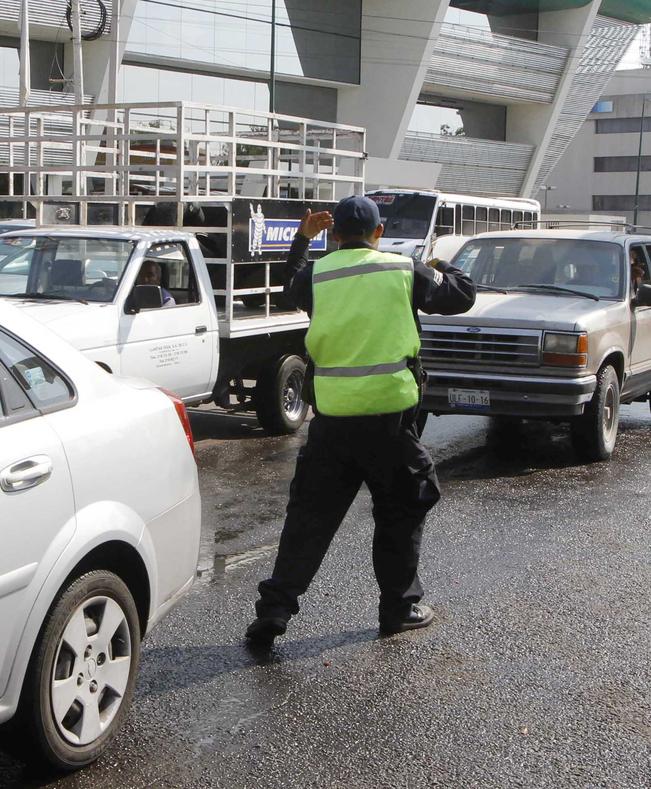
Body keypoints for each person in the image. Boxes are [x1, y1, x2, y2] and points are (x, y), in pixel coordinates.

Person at [245, 195, 476, 645]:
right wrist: (441, 264)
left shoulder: (319, 274)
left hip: (331, 420)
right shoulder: (402, 270)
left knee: (308, 521)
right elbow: (462, 295)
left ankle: (273, 612)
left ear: (333, 235)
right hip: (389, 422)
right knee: (400, 513)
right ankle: (398, 608)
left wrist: (301, 239)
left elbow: (290, 282)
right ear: (379, 232)